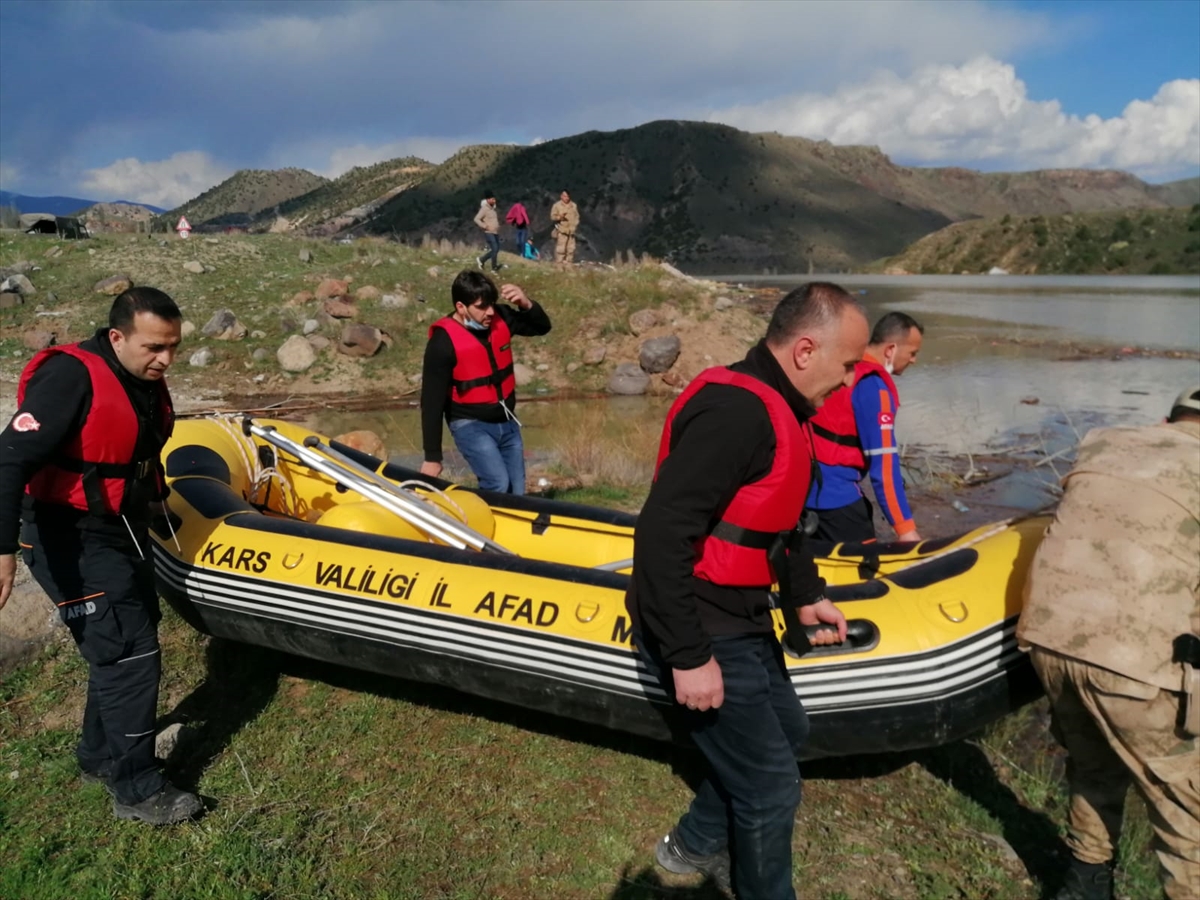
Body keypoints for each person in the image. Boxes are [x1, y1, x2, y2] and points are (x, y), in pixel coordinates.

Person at [627, 282, 868, 900]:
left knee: (787, 733)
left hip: (744, 612)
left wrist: (805, 593)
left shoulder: (778, 406)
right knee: (771, 787)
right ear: (806, 350)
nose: (847, 383)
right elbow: (661, 533)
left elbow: (773, 528)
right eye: (846, 366)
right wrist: (687, 653)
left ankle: (693, 844)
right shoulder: (737, 414)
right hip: (706, 622)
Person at [0, 287, 204, 827]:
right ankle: (136, 788)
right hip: (64, 533)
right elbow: (7, 460)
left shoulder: (142, 381)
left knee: (118, 644)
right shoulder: (70, 377)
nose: (165, 359)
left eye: (174, 347)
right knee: (130, 651)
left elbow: (137, 451)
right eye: (154, 347)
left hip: (117, 528)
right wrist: (1, 553)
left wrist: (158, 505)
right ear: (117, 337)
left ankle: (99, 758)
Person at [1017, 385, 1200, 900]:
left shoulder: (1107, 440)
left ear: (1168, 422)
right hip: (1128, 662)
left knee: (1094, 762)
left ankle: (1085, 884)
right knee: (1184, 804)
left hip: (1049, 640)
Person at [419, 271, 552, 494]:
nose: (490, 311)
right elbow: (431, 403)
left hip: (507, 421)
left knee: (517, 490)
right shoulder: (442, 343)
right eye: (482, 306)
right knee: (497, 484)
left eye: (491, 304)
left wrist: (525, 303)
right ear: (461, 307)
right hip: (470, 424)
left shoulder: (501, 317)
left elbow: (542, 327)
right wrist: (432, 457)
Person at [805, 311, 925, 544]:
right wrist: (905, 528)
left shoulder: (837, 369)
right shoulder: (874, 389)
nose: (913, 360)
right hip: (836, 500)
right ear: (890, 350)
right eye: (912, 353)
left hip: (801, 490)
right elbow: (885, 467)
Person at [473, 190, 501, 273]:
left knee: (496, 249)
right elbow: (476, 219)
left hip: (495, 232)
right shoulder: (484, 209)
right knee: (495, 249)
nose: (494, 201)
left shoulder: (493, 209)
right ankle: (493, 268)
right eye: (493, 199)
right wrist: (485, 226)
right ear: (488, 200)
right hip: (489, 233)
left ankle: (482, 260)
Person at [550, 189, 579, 264]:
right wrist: (559, 217)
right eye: (565, 196)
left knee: (571, 248)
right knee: (561, 249)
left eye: (568, 196)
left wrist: (575, 224)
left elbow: (577, 216)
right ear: (561, 196)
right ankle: (559, 263)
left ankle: (569, 263)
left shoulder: (573, 205)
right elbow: (552, 217)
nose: (566, 198)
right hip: (562, 230)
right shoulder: (557, 205)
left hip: (571, 231)